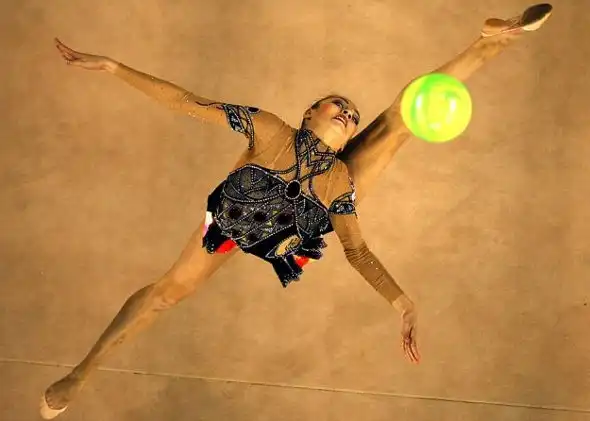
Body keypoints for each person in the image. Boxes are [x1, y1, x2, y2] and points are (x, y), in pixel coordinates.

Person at [41, 3, 553, 418]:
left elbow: (358, 251)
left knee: (400, 121)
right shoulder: (269, 130)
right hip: (232, 223)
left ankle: (493, 40)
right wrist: (114, 68)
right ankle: (81, 373)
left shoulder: (340, 181)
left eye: (351, 115)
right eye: (337, 105)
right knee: (165, 295)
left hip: (310, 212)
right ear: (308, 112)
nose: (347, 112)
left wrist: (402, 304)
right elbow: (187, 102)